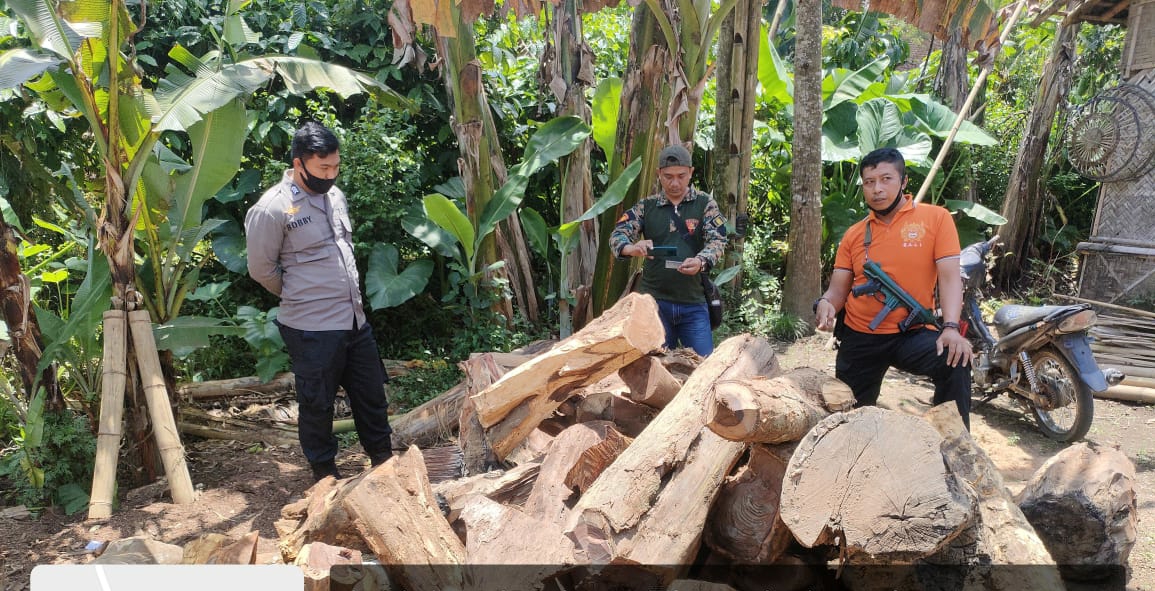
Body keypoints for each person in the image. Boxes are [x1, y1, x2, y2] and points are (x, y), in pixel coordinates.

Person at [245, 121, 393, 481]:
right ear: (299, 164)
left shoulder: (335, 196)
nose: (331, 174)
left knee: (372, 397)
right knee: (317, 404)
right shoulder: (272, 209)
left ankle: (386, 466)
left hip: (354, 320)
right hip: (310, 327)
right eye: (323, 168)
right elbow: (261, 270)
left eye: (336, 166)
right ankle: (325, 476)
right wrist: (299, 293)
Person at [813, 147, 973, 427]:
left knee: (955, 358)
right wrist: (826, 304)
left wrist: (950, 328)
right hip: (860, 337)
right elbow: (837, 291)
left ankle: (953, 447)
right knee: (848, 418)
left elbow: (949, 278)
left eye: (886, 179)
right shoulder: (853, 235)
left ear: (904, 182)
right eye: (869, 182)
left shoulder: (936, 219)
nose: (877, 189)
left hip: (910, 333)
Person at [610, 144, 727, 356]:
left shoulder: (705, 204)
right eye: (668, 176)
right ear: (658, 174)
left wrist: (701, 261)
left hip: (693, 302)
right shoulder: (647, 206)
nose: (674, 183)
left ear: (691, 172)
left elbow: (717, 240)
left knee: (702, 364)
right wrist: (633, 248)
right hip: (654, 304)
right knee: (654, 365)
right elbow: (618, 235)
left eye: (681, 176)